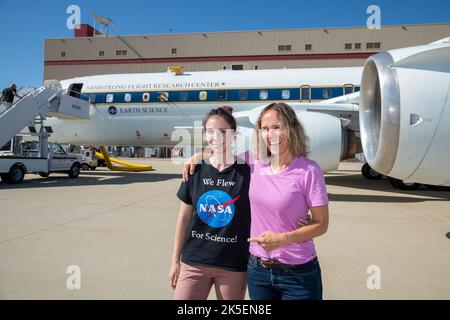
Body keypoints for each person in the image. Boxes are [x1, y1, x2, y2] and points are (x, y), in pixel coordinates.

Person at [183, 102, 329, 300]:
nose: (271, 135)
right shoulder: (254, 163)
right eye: (265, 129)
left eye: (278, 127)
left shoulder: (309, 170)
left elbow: (321, 224)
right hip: (258, 271)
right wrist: (199, 155)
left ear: (292, 129)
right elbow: (222, 154)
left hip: (299, 272)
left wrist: (284, 238)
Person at [169, 106, 252, 300]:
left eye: (224, 132)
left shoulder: (248, 173)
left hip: (232, 264)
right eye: (211, 132)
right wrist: (175, 260)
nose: (218, 137)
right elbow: (184, 218)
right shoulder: (194, 170)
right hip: (194, 262)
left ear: (235, 135)